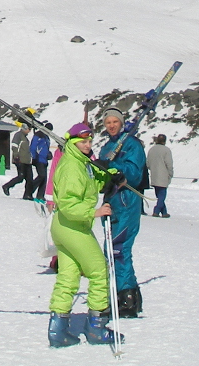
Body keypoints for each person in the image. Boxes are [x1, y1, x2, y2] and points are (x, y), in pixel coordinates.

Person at [47, 122, 120, 347]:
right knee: (99, 271)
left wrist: (108, 175)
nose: (88, 145)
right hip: (73, 227)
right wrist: (94, 212)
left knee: (68, 277)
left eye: (89, 141)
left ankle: (58, 331)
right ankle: (97, 327)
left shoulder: (81, 162)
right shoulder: (72, 166)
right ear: (73, 143)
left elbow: (90, 184)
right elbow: (68, 203)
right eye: (83, 142)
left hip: (64, 226)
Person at [97, 107, 146, 318]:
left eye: (115, 122)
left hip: (127, 201)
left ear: (121, 122)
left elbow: (134, 173)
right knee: (110, 249)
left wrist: (115, 168)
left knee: (120, 249)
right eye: (108, 122)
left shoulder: (132, 145)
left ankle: (127, 299)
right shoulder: (107, 147)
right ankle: (124, 293)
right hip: (112, 203)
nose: (111, 126)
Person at [2, 123, 34, 197]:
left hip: (27, 161)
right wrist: (16, 157)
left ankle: (27, 195)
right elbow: (14, 146)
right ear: (25, 128)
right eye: (29, 129)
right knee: (21, 177)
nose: (30, 131)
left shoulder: (25, 138)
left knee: (29, 179)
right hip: (20, 160)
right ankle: (6, 186)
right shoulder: (18, 135)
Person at [147, 134, 173, 218]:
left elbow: (148, 164)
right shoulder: (166, 150)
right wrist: (170, 174)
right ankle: (156, 211)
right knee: (162, 196)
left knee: (159, 196)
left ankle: (164, 212)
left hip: (154, 175)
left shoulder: (151, 149)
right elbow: (169, 164)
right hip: (163, 176)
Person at [28, 125, 52, 200]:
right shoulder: (39, 135)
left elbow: (45, 148)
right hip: (39, 159)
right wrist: (34, 157)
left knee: (44, 178)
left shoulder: (46, 137)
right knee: (41, 176)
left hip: (44, 159)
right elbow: (33, 147)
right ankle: (29, 190)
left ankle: (40, 195)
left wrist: (48, 154)